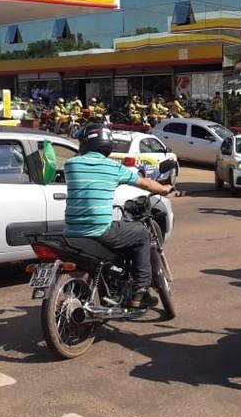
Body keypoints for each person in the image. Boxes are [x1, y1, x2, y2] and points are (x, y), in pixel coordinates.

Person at [64, 123, 172, 309]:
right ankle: (140, 291)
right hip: (99, 230)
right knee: (142, 235)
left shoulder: (71, 164)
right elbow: (145, 183)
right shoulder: (113, 168)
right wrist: (164, 188)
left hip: (72, 230)